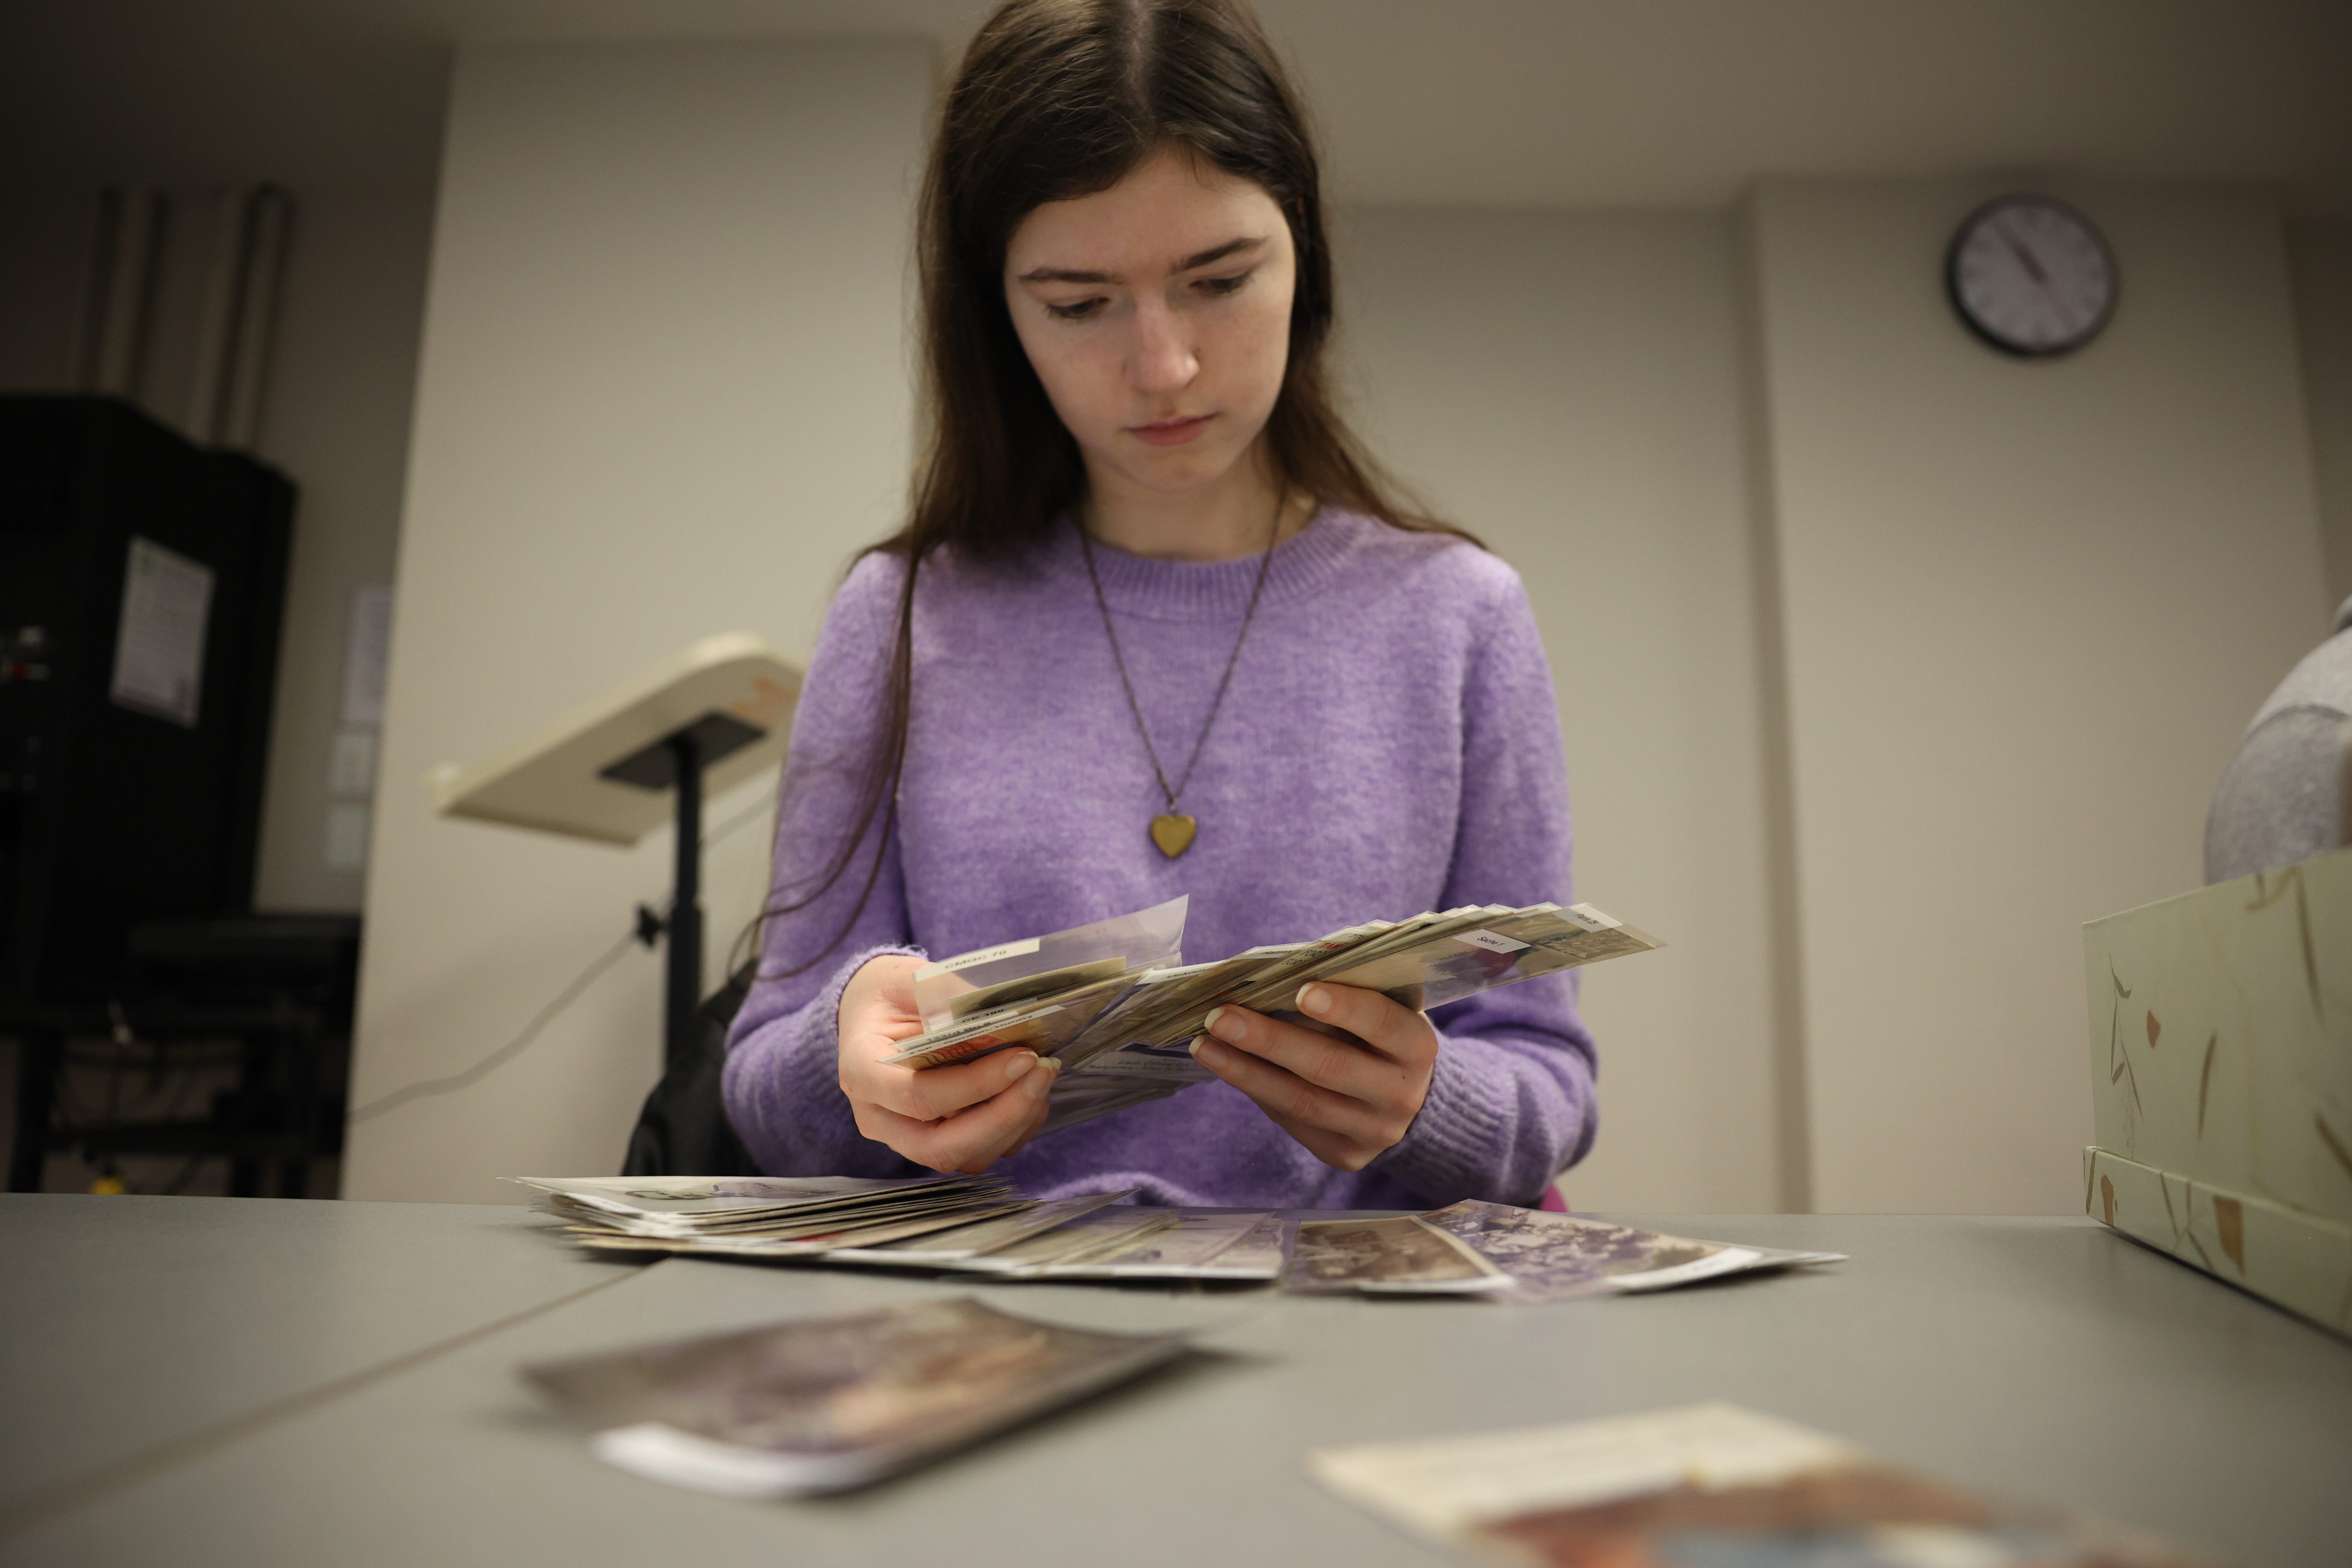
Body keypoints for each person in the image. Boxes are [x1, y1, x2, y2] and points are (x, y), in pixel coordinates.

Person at [722, 0, 1596, 1210]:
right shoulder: (904, 615)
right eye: (1079, 305)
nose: (1164, 367)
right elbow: (765, 1090)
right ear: (1000, 319)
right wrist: (846, 1061)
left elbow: (1549, 1077)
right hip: (979, 1339)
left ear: (1307, 262)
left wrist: (1428, 1102)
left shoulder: (1458, 617)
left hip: (1352, 1346)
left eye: (1220, 281)